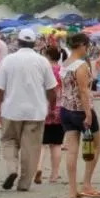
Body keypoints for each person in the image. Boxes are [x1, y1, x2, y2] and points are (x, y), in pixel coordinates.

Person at [0, 28, 58, 192]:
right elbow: (52, 89)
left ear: (18, 42)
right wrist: (52, 107)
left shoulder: (8, 60)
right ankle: (24, 183)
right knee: (31, 148)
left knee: (9, 141)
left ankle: (12, 169)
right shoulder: (42, 61)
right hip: (35, 111)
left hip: (11, 110)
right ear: (34, 43)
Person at [60, 33, 100, 198]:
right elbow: (84, 91)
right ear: (83, 45)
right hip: (80, 110)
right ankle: (86, 183)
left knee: (72, 150)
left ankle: (72, 189)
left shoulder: (65, 63)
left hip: (66, 109)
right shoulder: (81, 66)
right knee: (96, 146)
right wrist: (88, 114)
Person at [35, 46, 65, 185]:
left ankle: (38, 167)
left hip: (43, 108)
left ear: (47, 56)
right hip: (60, 109)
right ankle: (54, 174)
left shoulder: (43, 70)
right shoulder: (63, 71)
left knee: (41, 143)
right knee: (56, 144)